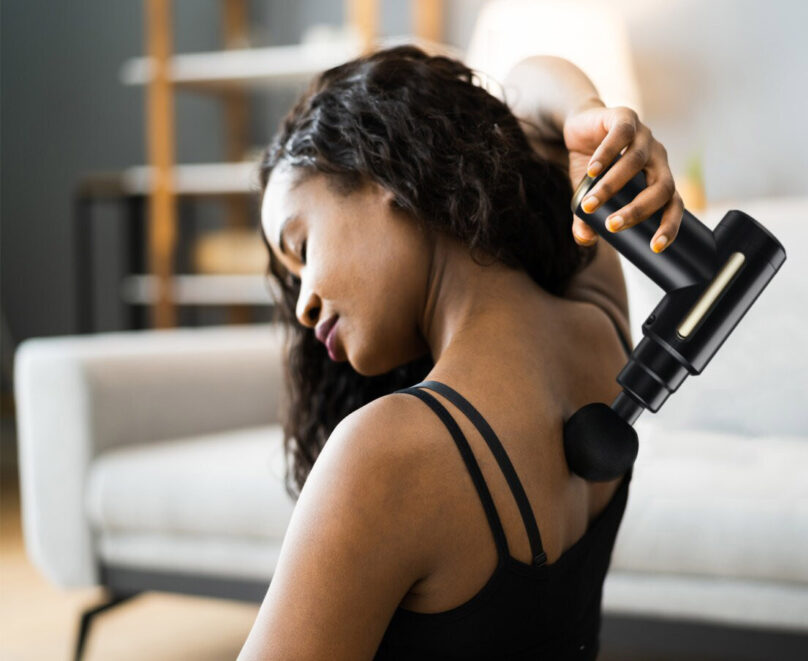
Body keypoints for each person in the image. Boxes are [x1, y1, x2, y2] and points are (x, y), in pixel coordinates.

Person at [238, 45, 684, 660]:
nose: (303, 306)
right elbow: (532, 99)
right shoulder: (603, 328)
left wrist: (589, 123)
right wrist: (587, 111)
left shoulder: (385, 456)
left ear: (385, 173)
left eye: (302, 247)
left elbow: (527, 107)